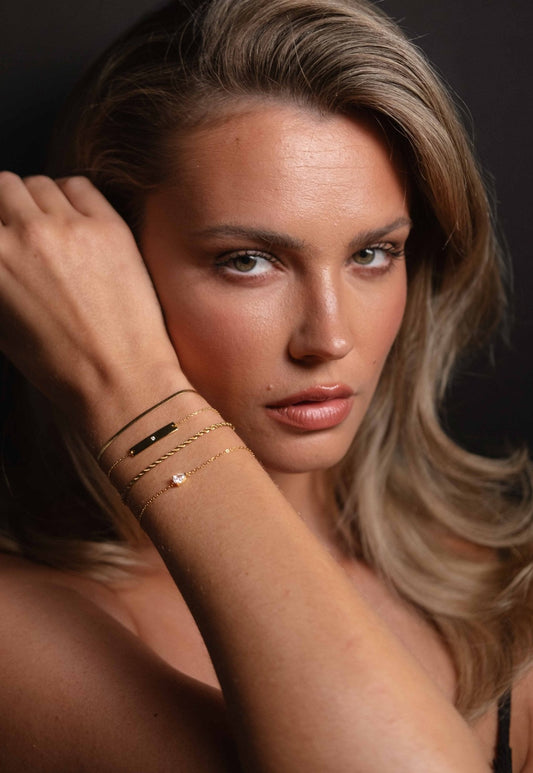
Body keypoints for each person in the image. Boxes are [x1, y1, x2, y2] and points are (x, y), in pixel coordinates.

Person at [0, 0, 531, 769]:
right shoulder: (24, 624)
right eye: (248, 260)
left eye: (372, 254)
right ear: (105, 270)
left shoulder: (504, 588)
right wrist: (132, 392)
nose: (330, 338)